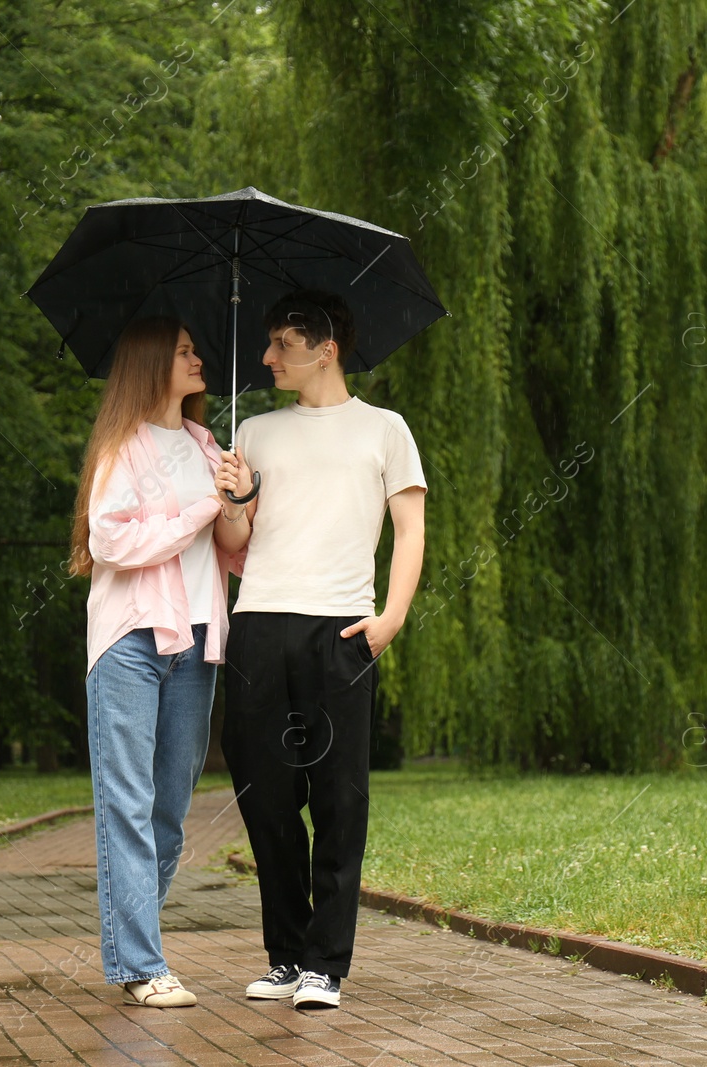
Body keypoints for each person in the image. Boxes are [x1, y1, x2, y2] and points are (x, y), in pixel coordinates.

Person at [214, 288, 427, 1010]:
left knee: (339, 798)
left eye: (282, 343)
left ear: (325, 346)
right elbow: (235, 544)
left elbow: (411, 526)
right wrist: (236, 500)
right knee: (265, 795)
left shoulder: (385, 429)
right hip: (259, 623)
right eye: (268, 342)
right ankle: (286, 953)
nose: (268, 355)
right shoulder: (257, 433)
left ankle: (325, 965)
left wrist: (392, 615)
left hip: (339, 629)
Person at [68, 315, 250, 1008]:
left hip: (200, 639)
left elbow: (231, 547)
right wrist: (204, 507)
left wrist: (235, 499)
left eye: (195, 348)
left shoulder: (208, 448)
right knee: (128, 802)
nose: (198, 357)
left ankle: (131, 929)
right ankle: (142, 961)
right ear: (151, 363)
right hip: (131, 641)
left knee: (170, 806)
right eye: (183, 351)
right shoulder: (123, 448)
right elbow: (111, 540)